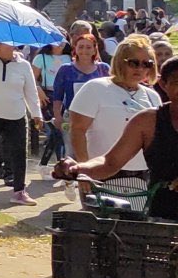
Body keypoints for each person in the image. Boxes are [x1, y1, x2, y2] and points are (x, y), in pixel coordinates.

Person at [68, 33, 164, 278]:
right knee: (99, 236)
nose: (140, 69)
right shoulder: (95, 88)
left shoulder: (152, 97)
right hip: (100, 176)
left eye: (147, 64)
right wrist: (83, 172)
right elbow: (77, 130)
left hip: (138, 179)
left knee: (135, 242)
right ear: (120, 61)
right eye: (134, 62)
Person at [60, 56, 178, 221]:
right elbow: (110, 162)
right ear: (163, 85)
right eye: (176, 82)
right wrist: (78, 168)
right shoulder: (147, 121)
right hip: (161, 216)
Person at [0, 40, 43, 205]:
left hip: (16, 116)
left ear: (13, 45)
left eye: (1, 43)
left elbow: (31, 92)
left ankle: (19, 191)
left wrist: (36, 114)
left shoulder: (24, 65)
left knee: (19, 153)